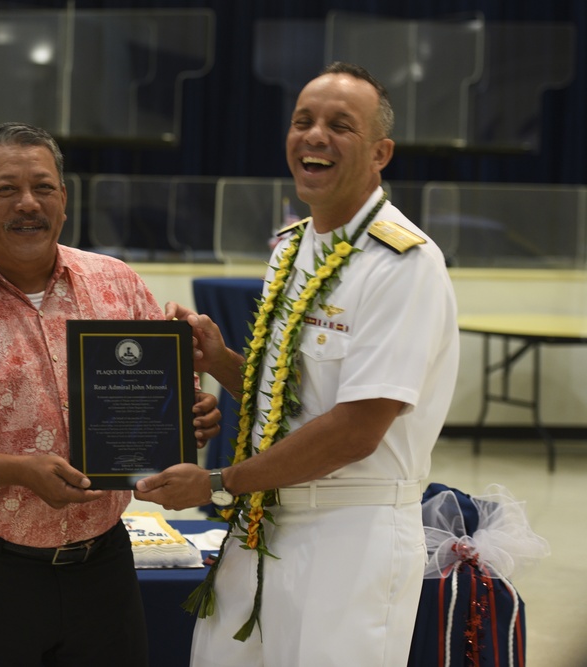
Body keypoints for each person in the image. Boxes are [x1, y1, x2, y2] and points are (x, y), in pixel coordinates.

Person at [134, 62, 460, 665]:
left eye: (341, 125)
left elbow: (357, 429)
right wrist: (223, 360)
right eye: (302, 121)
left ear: (380, 151)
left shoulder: (402, 264)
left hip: (350, 537)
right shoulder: (293, 246)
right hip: (263, 524)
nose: (315, 135)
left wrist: (214, 483)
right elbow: (295, 400)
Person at [0, 121, 221, 667]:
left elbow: (165, 402)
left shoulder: (118, 284)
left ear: (64, 199)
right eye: (5, 189)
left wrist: (190, 416)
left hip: (104, 565)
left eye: (43, 187)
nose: (27, 203)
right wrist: (19, 471)